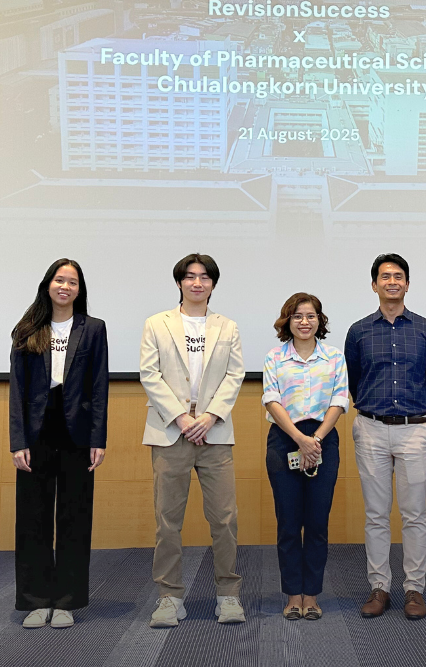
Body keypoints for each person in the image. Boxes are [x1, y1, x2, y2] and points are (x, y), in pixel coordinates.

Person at [139, 254, 246, 627]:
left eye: (204, 277)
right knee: (167, 520)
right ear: (180, 283)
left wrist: (210, 417)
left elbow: (234, 376)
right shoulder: (157, 323)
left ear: (213, 284)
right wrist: (183, 418)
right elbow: (149, 375)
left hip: (215, 433)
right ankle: (169, 598)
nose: (197, 283)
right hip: (171, 432)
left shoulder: (227, 327)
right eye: (190, 277)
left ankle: (228, 595)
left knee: (225, 518)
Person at [9, 258, 109, 630]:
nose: (65, 286)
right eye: (59, 279)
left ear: (80, 290)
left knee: (74, 516)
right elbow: (16, 389)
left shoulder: (94, 329)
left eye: (72, 282)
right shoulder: (27, 328)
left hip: (78, 432)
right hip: (37, 430)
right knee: (32, 517)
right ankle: (36, 600)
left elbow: (99, 387)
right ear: (48, 284)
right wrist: (17, 441)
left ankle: (67, 601)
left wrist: (98, 437)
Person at [344, 253, 426, 620]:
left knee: (415, 514)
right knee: (376, 514)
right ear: (374, 284)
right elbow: (354, 380)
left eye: (398, 276)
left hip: (414, 429)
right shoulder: (358, 331)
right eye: (384, 276)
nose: (391, 282)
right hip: (370, 427)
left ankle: (414, 589)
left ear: (406, 283)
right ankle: (380, 587)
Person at [261, 293, 349, 621]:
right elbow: (271, 399)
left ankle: (311, 595)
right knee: (288, 522)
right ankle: (292, 595)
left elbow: (340, 400)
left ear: (319, 320)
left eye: (311, 316)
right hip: (285, 439)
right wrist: (300, 439)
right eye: (297, 316)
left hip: (323, 438)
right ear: (288, 320)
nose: (304, 322)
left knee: (316, 522)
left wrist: (315, 440)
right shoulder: (274, 358)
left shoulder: (334, 357)